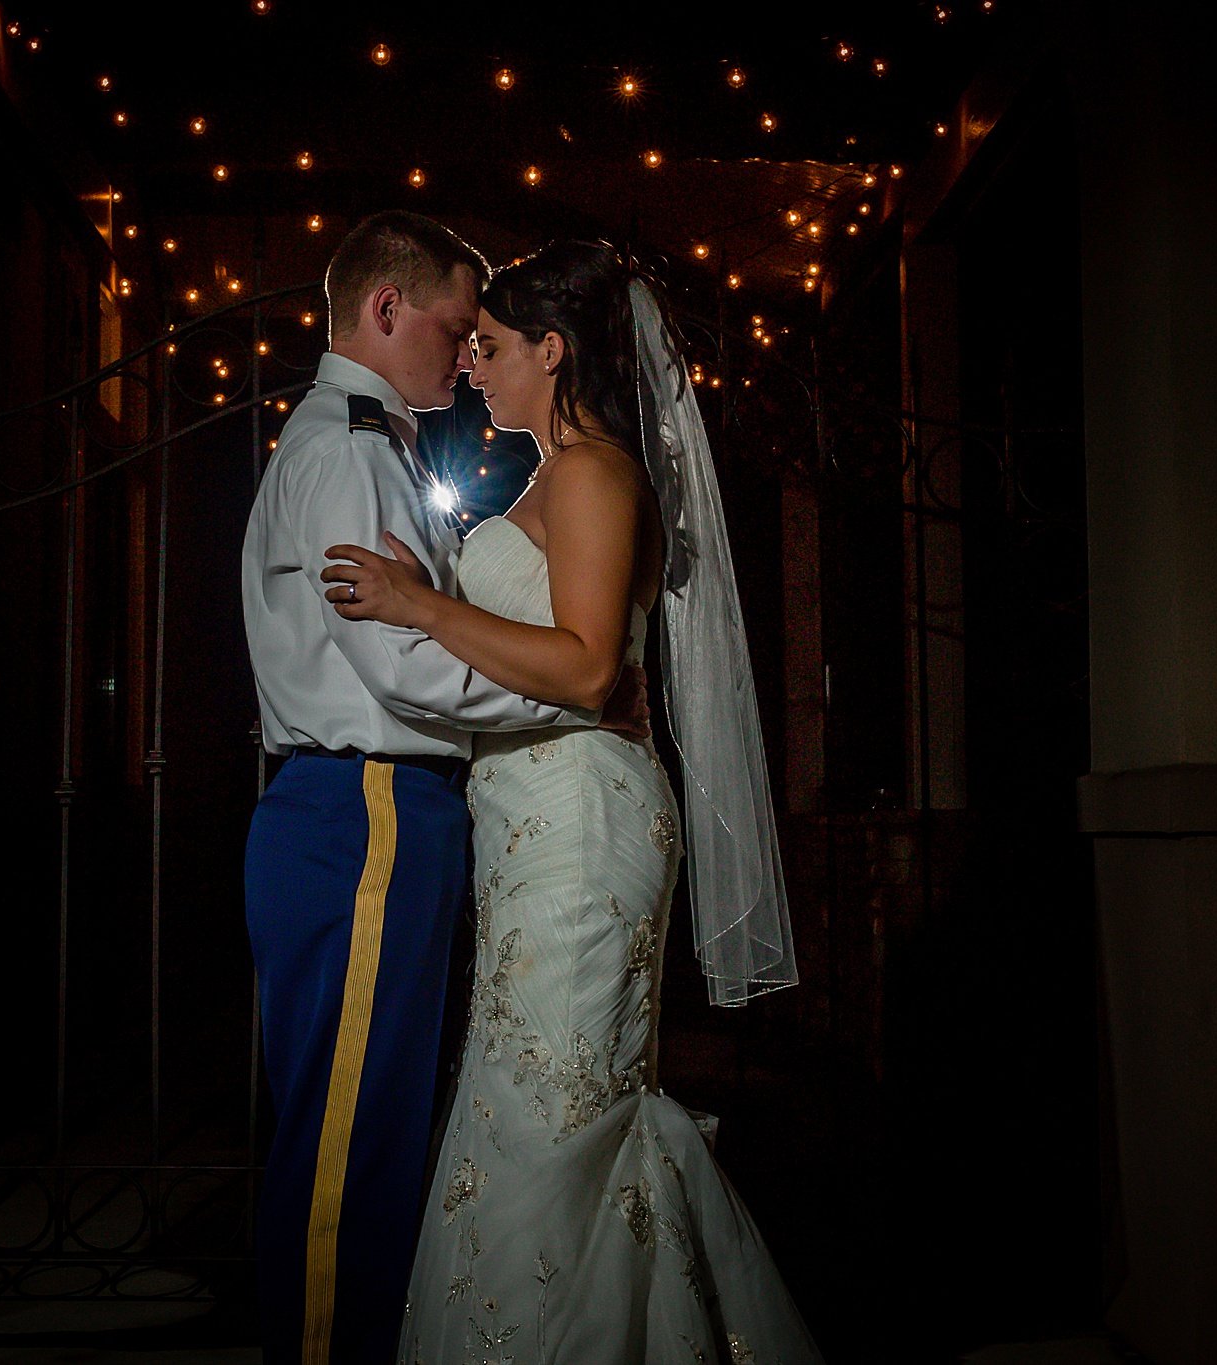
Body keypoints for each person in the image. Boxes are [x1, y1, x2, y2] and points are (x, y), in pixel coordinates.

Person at [319, 241, 821, 1364]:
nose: (475, 370)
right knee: (540, 1109)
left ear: (554, 351)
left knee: (557, 1118)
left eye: (492, 348)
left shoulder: (594, 471)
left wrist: (421, 604)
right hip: (531, 824)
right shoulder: (548, 475)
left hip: (582, 825)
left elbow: (591, 668)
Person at [241, 212, 648, 1365]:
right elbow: (401, 665)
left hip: (377, 807)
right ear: (386, 311)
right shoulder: (347, 448)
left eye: (488, 336)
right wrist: (567, 700)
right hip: (366, 804)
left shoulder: (369, 442)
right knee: (346, 1151)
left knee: (370, 1136)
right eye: (455, 327)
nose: (466, 354)